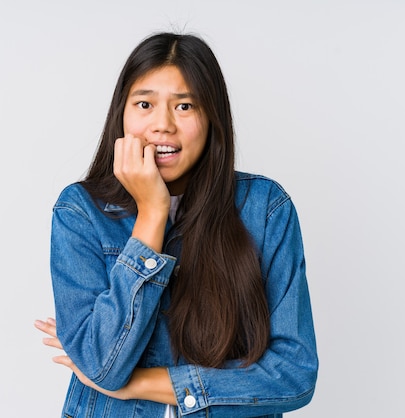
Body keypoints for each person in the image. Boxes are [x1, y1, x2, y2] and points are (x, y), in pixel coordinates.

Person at [34, 32, 318, 417]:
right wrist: (151, 214)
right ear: (123, 112)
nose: (162, 125)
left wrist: (142, 384)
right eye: (145, 104)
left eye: (184, 106)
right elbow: (102, 364)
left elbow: (293, 374)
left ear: (211, 116)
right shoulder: (81, 212)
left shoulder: (265, 209)